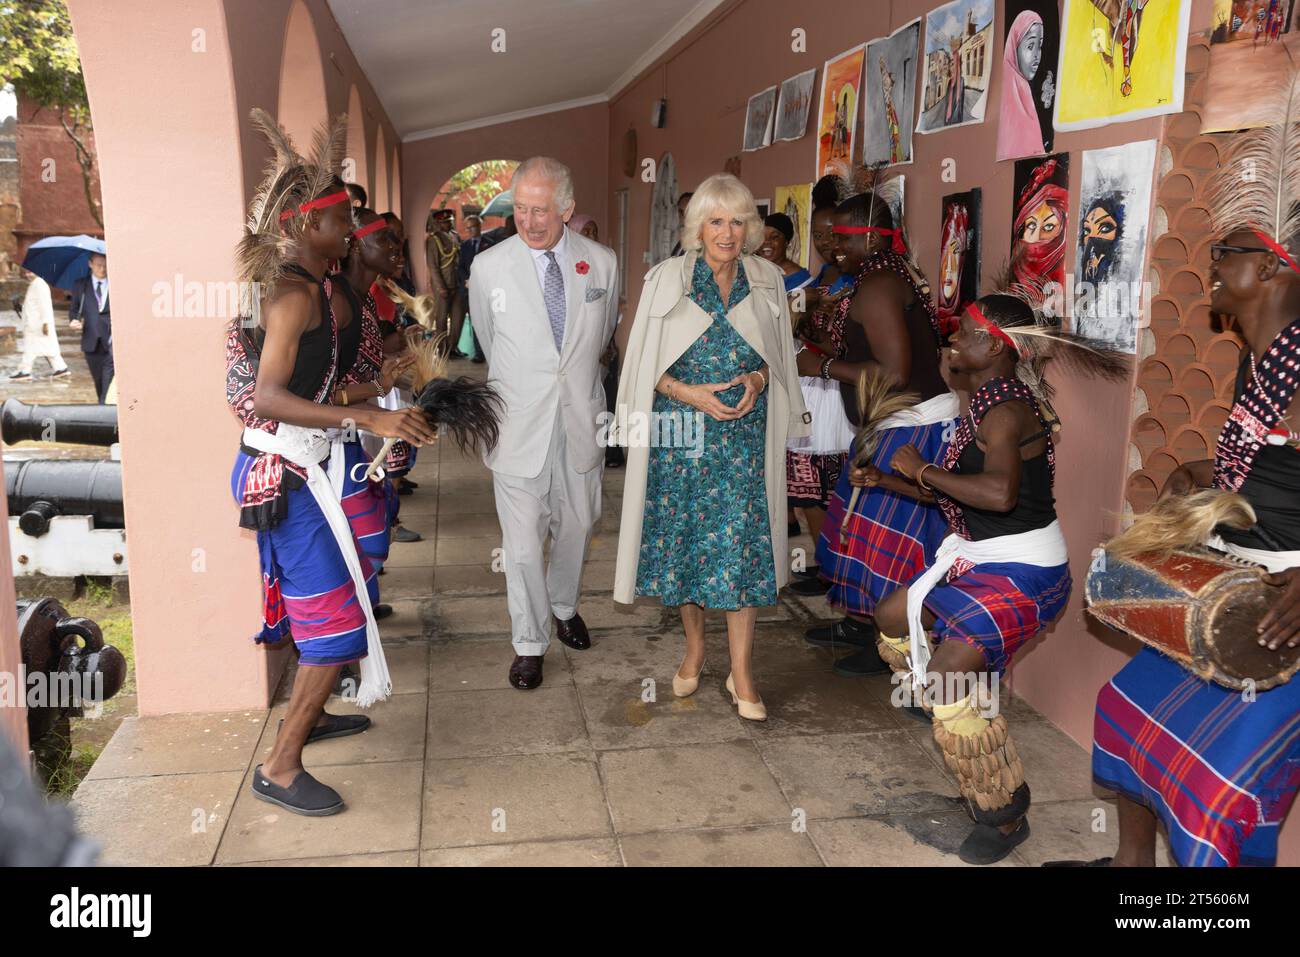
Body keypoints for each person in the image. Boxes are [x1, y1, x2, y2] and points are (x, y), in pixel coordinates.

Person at [1069, 227, 1300, 868]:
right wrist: (1203, 474)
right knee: (1126, 710)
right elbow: (1272, 465)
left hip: (1282, 606)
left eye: (1225, 255)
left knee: (1220, 787)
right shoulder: (1261, 359)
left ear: (1271, 269)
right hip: (1231, 583)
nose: (1213, 267)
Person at [226, 110, 435, 815]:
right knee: (337, 620)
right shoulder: (291, 295)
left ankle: (308, 717)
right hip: (287, 472)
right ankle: (280, 767)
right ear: (298, 225)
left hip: (310, 464)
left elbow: (317, 388)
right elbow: (270, 396)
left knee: (337, 605)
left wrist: (378, 398)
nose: (352, 232)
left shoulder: (315, 288)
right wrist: (366, 415)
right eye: (341, 221)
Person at [875, 293, 1121, 864]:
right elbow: (962, 491)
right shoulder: (987, 400)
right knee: (891, 619)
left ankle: (1004, 814)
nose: (952, 339)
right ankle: (955, 698)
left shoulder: (1005, 411)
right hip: (980, 558)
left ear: (994, 347)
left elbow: (999, 494)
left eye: (962, 332)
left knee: (946, 679)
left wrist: (922, 468)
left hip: (1026, 570)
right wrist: (889, 480)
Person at [612, 173, 809, 721]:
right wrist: (689, 393)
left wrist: (757, 382)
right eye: (716, 221)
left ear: (751, 227)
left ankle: (742, 671)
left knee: (742, 548)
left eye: (738, 220)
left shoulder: (767, 279)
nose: (727, 232)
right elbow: (642, 364)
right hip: (681, 434)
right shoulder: (665, 279)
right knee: (689, 546)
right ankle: (696, 649)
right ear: (697, 227)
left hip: (745, 438)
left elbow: (781, 360)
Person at [468, 156, 618, 691]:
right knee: (524, 546)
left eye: (542, 211)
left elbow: (600, 341)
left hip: (580, 419)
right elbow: (488, 341)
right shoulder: (488, 268)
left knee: (578, 527)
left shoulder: (601, 263)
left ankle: (562, 604)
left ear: (568, 210)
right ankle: (529, 643)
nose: (529, 222)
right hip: (516, 425)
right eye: (522, 210)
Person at [804, 187, 953, 677]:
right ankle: (862, 626)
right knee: (856, 536)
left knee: (890, 549)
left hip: (912, 430)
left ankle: (892, 645)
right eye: (827, 238)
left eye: (842, 238)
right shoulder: (874, 276)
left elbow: (893, 372)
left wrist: (824, 365)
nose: (832, 247)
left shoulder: (879, 284)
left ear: (871, 236)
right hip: (887, 426)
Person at [331, 207, 419, 574]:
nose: (397, 248)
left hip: (358, 426)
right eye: (385, 239)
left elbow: (361, 359)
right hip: (336, 436)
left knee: (370, 544)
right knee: (360, 542)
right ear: (354, 244)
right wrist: (376, 389)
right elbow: (323, 389)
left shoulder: (362, 297)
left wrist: (392, 361)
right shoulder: (336, 300)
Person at [786, 178, 856, 597]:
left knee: (836, 491)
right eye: (818, 235)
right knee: (808, 491)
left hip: (836, 393)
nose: (827, 242)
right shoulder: (824, 274)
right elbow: (797, 319)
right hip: (811, 386)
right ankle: (825, 562)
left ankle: (843, 571)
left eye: (834, 234)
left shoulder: (861, 279)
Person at [995, 9, 1047, 161]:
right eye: (1031, 46)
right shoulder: (1008, 97)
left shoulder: (1024, 94)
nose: (1037, 55)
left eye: (1040, 45)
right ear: (1014, 46)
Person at [69, 252, 113, 403]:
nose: (102, 269)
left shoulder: (116, 283)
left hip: (112, 342)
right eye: (99, 265)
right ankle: (103, 404)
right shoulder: (81, 285)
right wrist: (74, 321)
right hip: (91, 342)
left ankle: (104, 409)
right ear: (90, 264)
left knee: (108, 381)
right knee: (99, 381)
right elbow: (74, 310)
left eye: (105, 265)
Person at [9, 270, 69, 380]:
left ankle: (25, 371)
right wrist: (20, 308)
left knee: (31, 349)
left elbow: (44, 305)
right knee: (49, 349)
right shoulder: (34, 284)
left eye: (31, 272)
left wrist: (46, 323)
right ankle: (60, 368)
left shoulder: (40, 284)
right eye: (26, 273)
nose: (28, 275)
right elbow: (32, 306)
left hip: (39, 325)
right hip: (34, 324)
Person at [425, 208, 462, 350]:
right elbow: (432, 266)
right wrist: (440, 287)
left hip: (457, 283)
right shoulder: (434, 240)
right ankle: (441, 348)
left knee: (457, 318)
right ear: (439, 223)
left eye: (450, 221)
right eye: (446, 222)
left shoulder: (456, 236)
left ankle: (453, 348)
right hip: (443, 284)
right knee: (441, 319)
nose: (449, 224)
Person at [459, 213, 487, 363]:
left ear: (479, 227)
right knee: (476, 321)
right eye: (467, 228)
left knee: (489, 321)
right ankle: (479, 353)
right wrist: (466, 280)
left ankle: (490, 350)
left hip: (486, 289)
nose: (470, 231)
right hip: (470, 290)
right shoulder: (464, 246)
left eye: (473, 227)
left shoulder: (490, 243)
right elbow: (461, 267)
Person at [670, 192, 693, 257]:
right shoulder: (682, 243)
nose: (684, 216)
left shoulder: (704, 242)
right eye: (681, 211)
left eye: (688, 211)